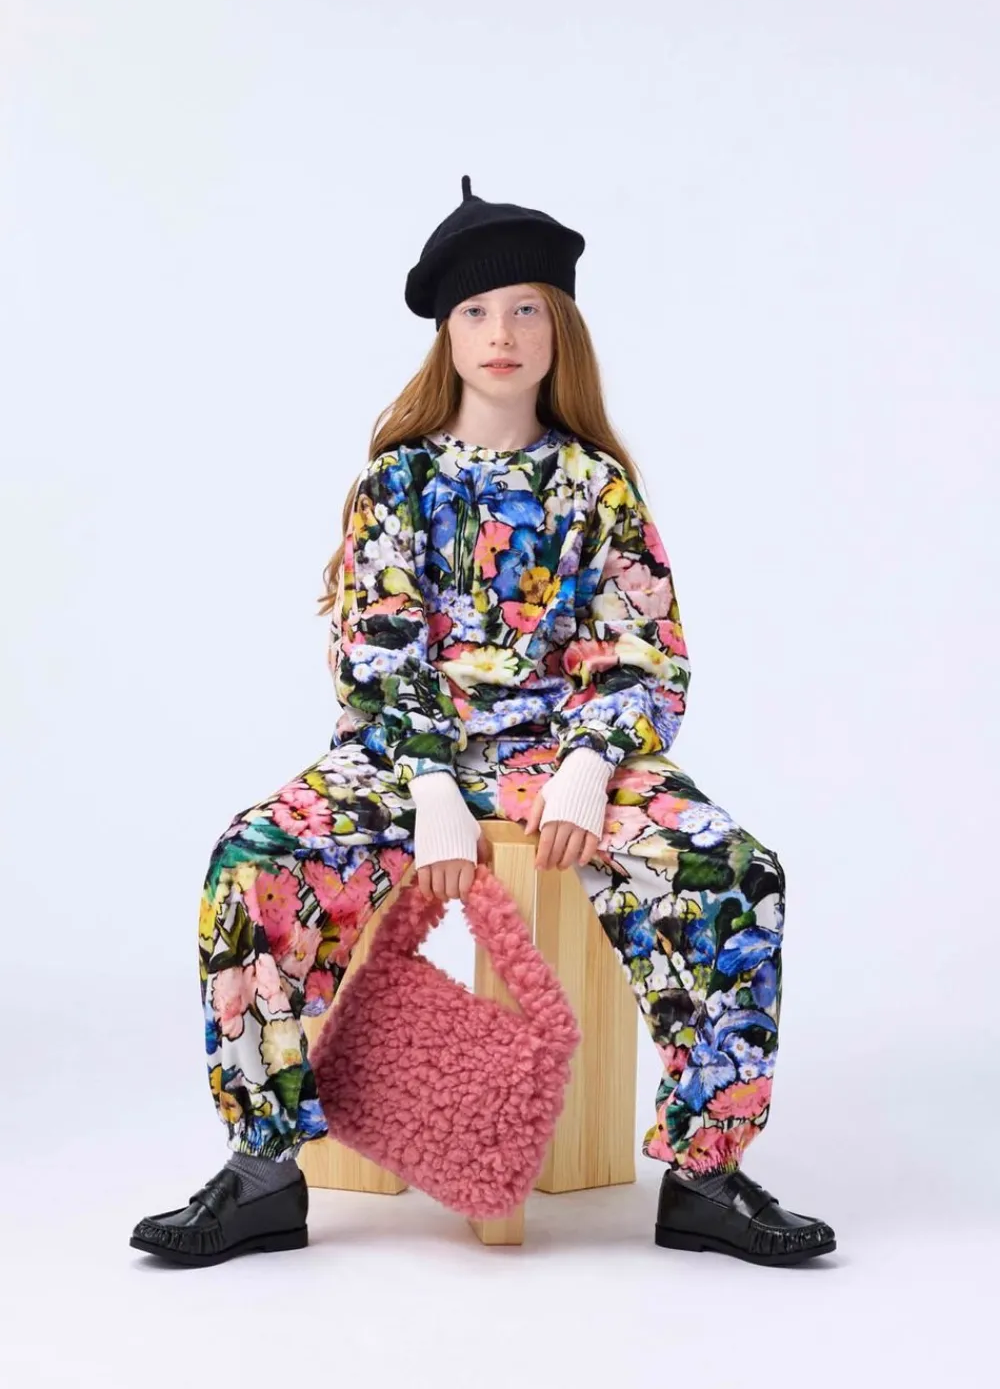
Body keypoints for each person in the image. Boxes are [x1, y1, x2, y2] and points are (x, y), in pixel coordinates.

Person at [130, 174, 836, 1269]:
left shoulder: (597, 486)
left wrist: (591, 763)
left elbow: (643, 644)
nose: (500, 333)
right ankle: (262, 1173)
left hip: (560, 753)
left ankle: (707, 1176)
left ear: (559, 330)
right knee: (251, 858)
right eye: (474, 311)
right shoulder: (398, 482)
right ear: (446, 335)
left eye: (523, 309)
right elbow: (378, 645)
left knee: (735, 871)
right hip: (398, 756)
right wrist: (427, 785)